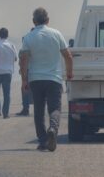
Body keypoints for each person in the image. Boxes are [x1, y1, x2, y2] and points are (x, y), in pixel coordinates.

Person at [20, 8, 73, 152]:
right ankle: (53, 129)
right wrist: (69, 73)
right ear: (48, 20)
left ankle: (43, 141)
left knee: (38, 110)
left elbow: (23, 59)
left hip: (35, 79)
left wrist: (24, 79)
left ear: (33, 21)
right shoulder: (56, 34)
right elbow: (68, 56)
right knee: (55, 108)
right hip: (54, 79)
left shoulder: (28, 37)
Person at [0, 27, 18, 118]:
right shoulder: (12, 45)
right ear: (7, 35)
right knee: (6, 93)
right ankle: (6, 113)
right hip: (7, 72)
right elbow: (16, 58)